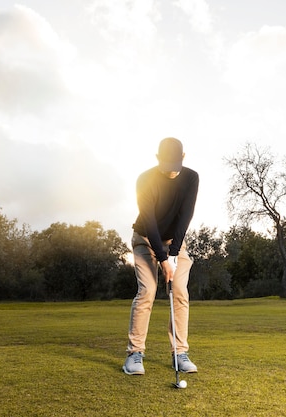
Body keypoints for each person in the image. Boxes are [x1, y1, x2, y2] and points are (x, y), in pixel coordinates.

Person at [123, 137, 199, 376]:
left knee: (179, 291)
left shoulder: (191, 178)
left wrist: (174, 254)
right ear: (158, 160)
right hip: (145, 238)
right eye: (167, 165)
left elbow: (185, 218)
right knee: (148, 291)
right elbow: (150, 223)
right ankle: (134, 355)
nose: (173, 172)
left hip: (175, 242)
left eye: (177, 165)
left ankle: (180, 353)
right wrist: (164, 260)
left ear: (183, 158)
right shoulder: (145, 180)